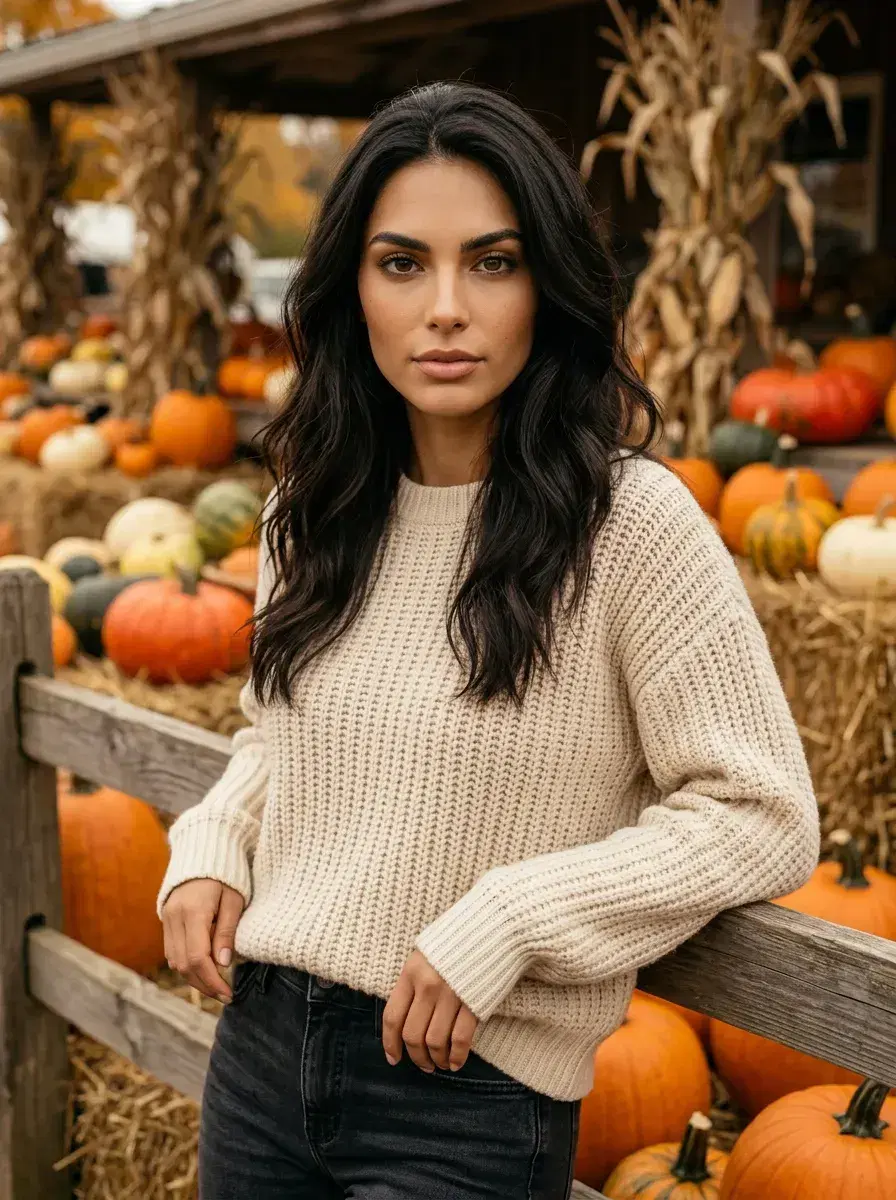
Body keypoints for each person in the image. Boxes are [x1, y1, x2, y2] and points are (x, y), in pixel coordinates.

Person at [159, 81, 819, 1200]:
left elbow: (758, 813)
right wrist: (216, 832)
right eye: (402, 262)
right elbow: (280, 736)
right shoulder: (306, 512)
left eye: (494, 262)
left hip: (462, 1089)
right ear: (349, 288)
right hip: (263, 1053)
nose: (446, 307)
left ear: (545, 288)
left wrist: (515, 916)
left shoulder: (631, 527)